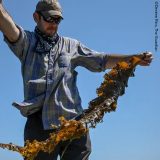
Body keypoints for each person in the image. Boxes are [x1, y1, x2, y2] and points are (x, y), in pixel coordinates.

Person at [0, 0, 153, 160]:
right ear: (36, 17)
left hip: (74, 121)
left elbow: (101, 60)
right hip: (39, 124)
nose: (53, 24)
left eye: (57, 20)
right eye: (49, 19)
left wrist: (132, 58)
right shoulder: (27, 42)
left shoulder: (71, 46)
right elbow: (8, 26)